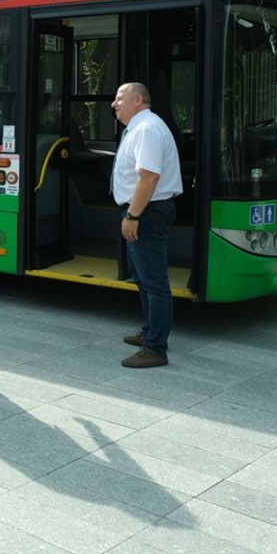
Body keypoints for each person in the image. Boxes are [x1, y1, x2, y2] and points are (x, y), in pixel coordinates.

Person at [111, 82, 182, 368]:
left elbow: (149, 176)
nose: (114, 104)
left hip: (148, 212)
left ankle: (156, 348)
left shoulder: (147, 128)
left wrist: (133, 216)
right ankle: (150, 332)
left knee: (154, 282)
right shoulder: (140, 126)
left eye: (119, 98)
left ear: (138, 100)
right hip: (143, 209)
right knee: (143, 278)